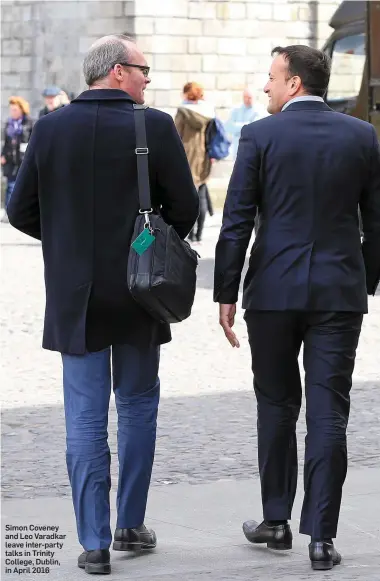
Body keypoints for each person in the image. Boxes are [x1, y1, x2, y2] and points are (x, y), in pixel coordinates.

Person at [8, 35, 198, 575]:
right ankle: (128, 524)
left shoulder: (50, 127)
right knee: (138, 406)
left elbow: (19, 210)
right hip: (140, 291)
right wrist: (141, 245)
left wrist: (68, 242)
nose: (147, 80)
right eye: (143, 70)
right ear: (117, 71)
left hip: (75, 295)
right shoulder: (153, 126)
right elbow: (184, 210)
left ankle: (92, 543)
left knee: (84, 419)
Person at [214, 45, 380, 571]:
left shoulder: (261, 135)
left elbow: (237, 220)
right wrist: (364, 280)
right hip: (338, 292)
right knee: (330, 412)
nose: (265, 87)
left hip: (273, 293)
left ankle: (277, 518)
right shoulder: (362, 135)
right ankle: (322, 538)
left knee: (277, 404)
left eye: (271, 78)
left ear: (294, 84)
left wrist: (225, 293)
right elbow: (376, 223)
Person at [175, 82, 214, 244]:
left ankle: (189, 234)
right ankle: (199, 234)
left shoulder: (182, 112)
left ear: (186, 94)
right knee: (202, 194)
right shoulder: (207, 112)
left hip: (185, 156)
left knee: (187, 196)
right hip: (203, 157)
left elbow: (175, 135)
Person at [1, 96, 33, 217]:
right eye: (11, 110)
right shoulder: (9, 123)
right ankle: (8, 212)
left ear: (21, 109)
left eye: (15, 110)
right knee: (9, 186)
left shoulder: (29, 123)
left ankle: (21, 212)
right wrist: (2, 155)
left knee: (24, 186)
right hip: (10, 159)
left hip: (24, 159)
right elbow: (6, 143)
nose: (12, 112)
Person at [225, 88, 268, 159]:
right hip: (237, 148)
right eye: (245, 97)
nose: (247, 100)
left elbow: (254, 129)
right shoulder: (236, 110)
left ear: (254, 98)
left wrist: (238, 126)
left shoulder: (260, 111)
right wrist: (246, 125)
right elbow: (228, 127)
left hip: (253, 149)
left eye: (249, 97)